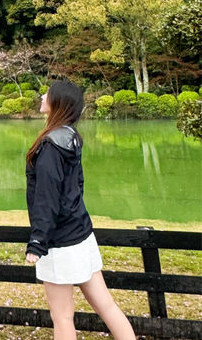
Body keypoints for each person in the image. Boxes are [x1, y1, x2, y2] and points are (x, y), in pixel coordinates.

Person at [25, 80, 136, 340]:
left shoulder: (52, 145)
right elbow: (76, 187)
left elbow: (47, 198)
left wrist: (38, 240)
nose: (42, 95)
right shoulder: (71, 137)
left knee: (62, 317)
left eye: (48, 93)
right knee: (106, 305)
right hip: (81, 234)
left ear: (58, 103)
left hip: (61, 241)